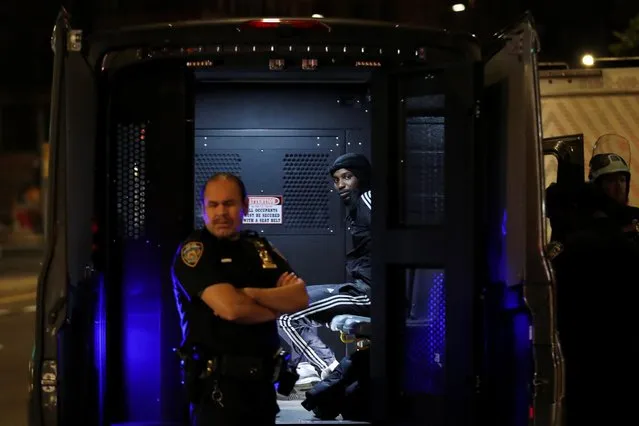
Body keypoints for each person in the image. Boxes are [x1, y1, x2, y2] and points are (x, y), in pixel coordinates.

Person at [171, 172, 310, 426]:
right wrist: (274, 308)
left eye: (229, 203)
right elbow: (232, 309)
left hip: (262, 389)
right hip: (217, 390)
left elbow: (300, 297)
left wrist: (251, 294)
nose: (221, 212)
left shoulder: (258, 247)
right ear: (202, 210)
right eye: (213, 205)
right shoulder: (196, 250)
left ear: (244, 206)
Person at [278, 153, 373, 389]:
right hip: (361, 286)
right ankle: (312, 368)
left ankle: (330, 372)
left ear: (362, 177)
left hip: (370, 292)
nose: (340, 184)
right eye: (336, 179)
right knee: (288, 306)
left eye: (347, 177)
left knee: (287, 313)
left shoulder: (370, 198)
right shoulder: (356, 207)